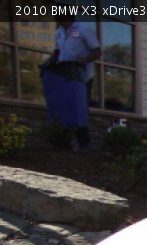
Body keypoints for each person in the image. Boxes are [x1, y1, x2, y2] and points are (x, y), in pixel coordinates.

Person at [49, 13, 101, 148]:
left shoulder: (83, 30)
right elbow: (57, 52)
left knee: (79, 109)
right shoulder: (59, 32)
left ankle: (84, 143)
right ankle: (64, 141)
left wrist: (84, 60)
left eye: (59, 17)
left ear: (67, 17)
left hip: (82, 77)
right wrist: (49, 63)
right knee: (65, 108)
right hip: (64, 75)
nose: (56, 20)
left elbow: (97, 52)